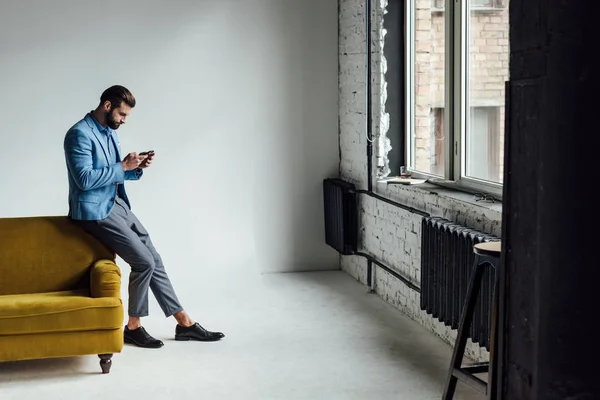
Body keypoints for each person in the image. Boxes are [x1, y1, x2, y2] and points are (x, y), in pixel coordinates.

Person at [63, 85, 224, 348]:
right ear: (107, 106)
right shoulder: (79, 134)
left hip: (116, 203)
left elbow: (112, 173)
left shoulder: (110, 134)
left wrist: (134, 168)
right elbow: (83, 180)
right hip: (93, 211)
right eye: (122, 115)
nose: (124, 120)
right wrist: (121, 166)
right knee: (144, 262)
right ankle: (133, 327)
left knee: (155, 258)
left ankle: (184, 323)